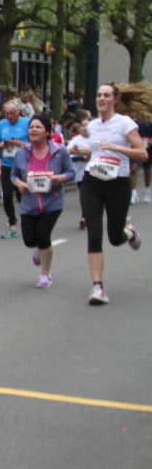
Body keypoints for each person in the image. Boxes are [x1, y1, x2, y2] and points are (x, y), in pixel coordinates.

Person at [76, 82, 149, 305]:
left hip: (117, 183)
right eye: (99, 95)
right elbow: (94, 152)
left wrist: (116, 147)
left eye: (106, 95)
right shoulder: (92, 125)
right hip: (92, 181)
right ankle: (97, 287)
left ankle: (129, 233)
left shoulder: (125, 123)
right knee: (94, 232)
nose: (101, 98)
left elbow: (142, 154)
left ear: (115, 99)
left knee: (115, 238)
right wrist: (81, 151)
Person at [10, 114, 75, 289]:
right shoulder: (22, 153)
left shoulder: (60, 151)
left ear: (47, 132)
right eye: (31, 127)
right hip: (29, 203)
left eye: (38, 127)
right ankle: (38, 248)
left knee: (43, 235)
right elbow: (14, 175)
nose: (33, 130)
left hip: (52, 202)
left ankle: (45, 274)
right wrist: (19, 184)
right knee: (30, 241)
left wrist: (60, 178)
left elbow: (71, 172)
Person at [0, 99, 30, 238]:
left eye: (12, 113)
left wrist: (18, 143)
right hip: (7, 165)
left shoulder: (27, 123)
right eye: (7, 113)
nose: (9, 116)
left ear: (18, 112)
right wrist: (2, 145)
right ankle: (12, 222)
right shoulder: (2, 124)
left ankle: (28, 219)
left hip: (23, 165)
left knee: (22, 196)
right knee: (7, 196)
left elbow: (34, 144)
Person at [131, 119, 152, 204]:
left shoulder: (149, 120)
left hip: (148, 148)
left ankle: (146, 190)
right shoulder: (132, 121)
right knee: (133, 169)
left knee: (147, 170)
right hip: (136, 147)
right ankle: (134, 194)